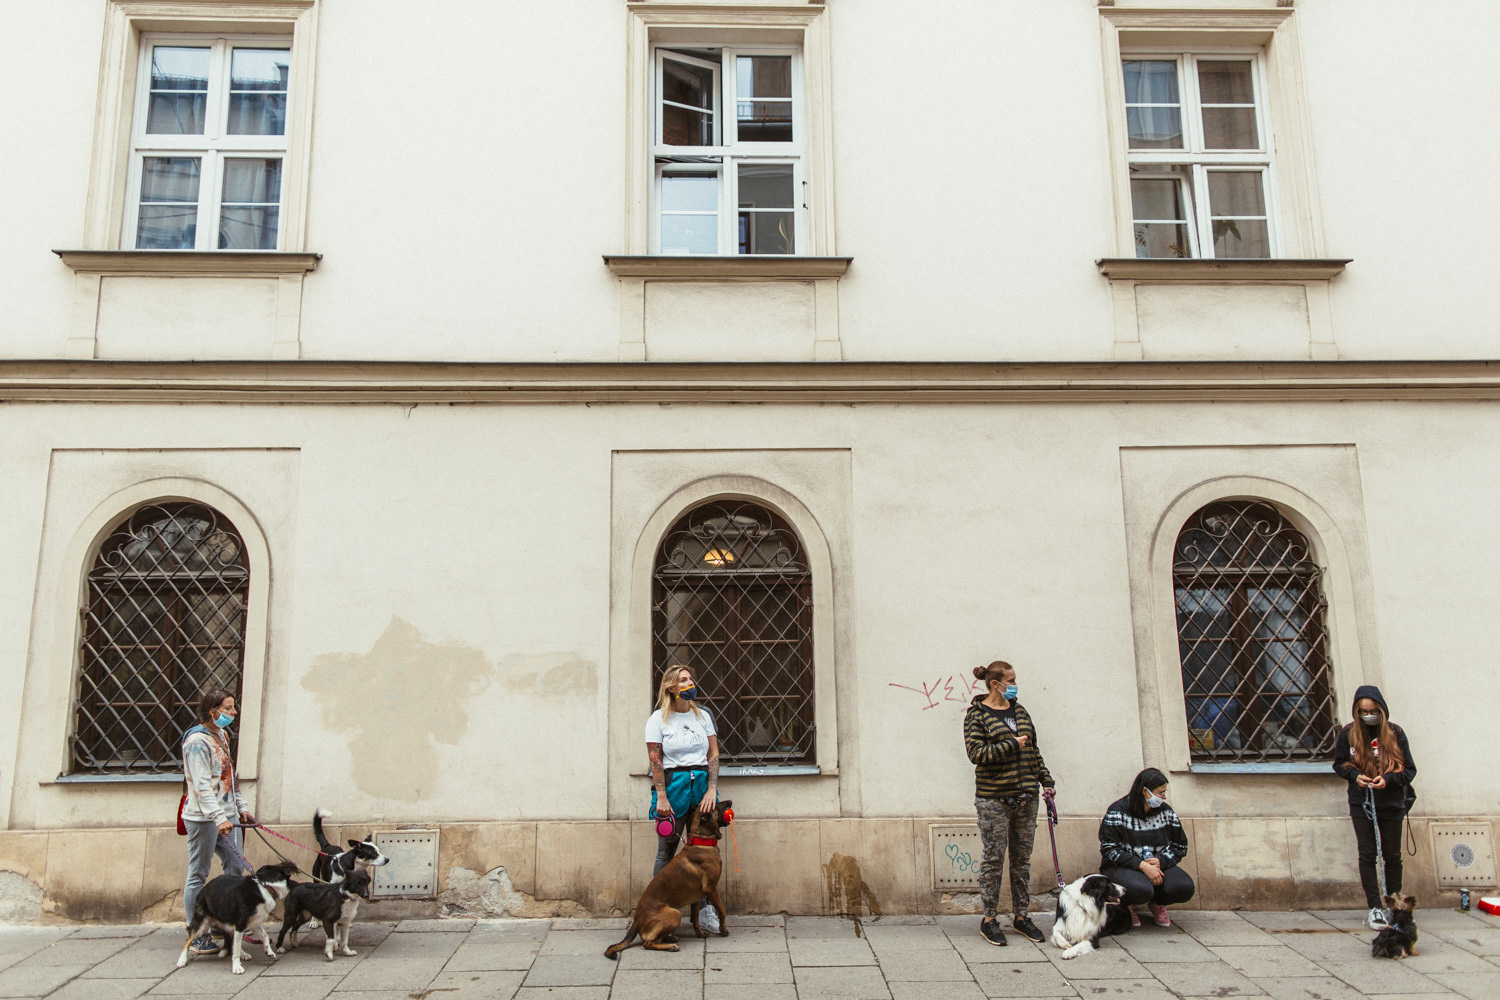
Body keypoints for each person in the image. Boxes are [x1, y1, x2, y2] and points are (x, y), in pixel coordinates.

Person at [963, 660, 1055, 946]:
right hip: (994, 799)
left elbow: (1034, 750)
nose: (1015, 685)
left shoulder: (1020, 711)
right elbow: (976, 753)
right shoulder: (976, 716)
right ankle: (989, 919)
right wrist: (1012, 744)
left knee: (1021, 860)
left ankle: (1022, 916)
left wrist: (1046, 781)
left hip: (1026, 796)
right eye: (1011, 680)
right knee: (993, 858)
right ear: (995, 683)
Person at [1333, 684, 1415, 929]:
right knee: (1368, 855)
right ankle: (1374, 908)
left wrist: (1388, 780)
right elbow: (1339, 764)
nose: (1368, 715)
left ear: (1382, 709)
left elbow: (1409, 770)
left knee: (1392, 856)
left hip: (1391, 803)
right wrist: (1354, 775)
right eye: (1363, 711)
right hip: (1362, 803)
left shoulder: (1395, 733)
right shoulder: (1348, 734)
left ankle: (1395, 905)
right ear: (1356, 712)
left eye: (1373, 710)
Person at [645, 665, 721, 931]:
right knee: (666, 850)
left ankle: (704, 912)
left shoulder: (703, 715)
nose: (690, 683)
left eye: (691, 678)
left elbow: (712, 754)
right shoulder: (658, 719)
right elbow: (656, 759)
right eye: (683, 680)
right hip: (673, 787)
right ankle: (655, 907)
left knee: (705, 851)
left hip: (701, 790)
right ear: (671, 688)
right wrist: (662, 797)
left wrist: (711, 790)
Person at [181, 688, 255, 955]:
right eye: (228, 708)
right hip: (204, 818)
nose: (233, 713)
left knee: (235, 867)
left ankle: (223, 924)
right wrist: (218, 817)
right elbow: (201, 787)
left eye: (233, 708)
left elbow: (229, 775)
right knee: (198, 874)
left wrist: (241, 807)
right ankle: (196, 932)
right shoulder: (197, 742)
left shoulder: (221, 735)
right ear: (213, 712)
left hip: (228, 815)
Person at [1099, 768, 1195, 927]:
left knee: (1184, 887)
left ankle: (1158, 903)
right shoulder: (1117, 811)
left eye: (1164, 793)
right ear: (1145, 790)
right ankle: (1125, 905)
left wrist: (1160, 862)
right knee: (1140, 889)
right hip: (1123, 866)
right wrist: (1141, 865)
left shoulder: (1166, 812)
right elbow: (1109, 849)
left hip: (1155, 863)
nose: (1163, 797)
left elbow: (1180, 845)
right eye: (1160, 793)